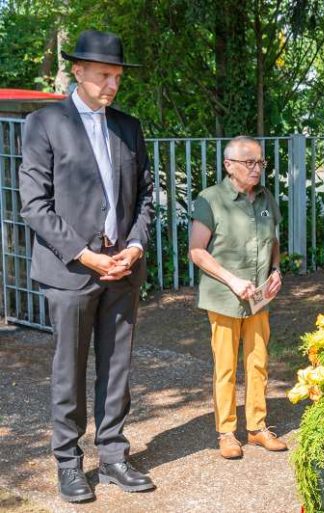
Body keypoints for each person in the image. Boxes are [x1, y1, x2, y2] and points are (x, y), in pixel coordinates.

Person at [18, 30, 154, 502]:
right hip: (71, 271)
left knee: (117, 367)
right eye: (103, 75)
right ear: (78, 71)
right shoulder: (44, 123)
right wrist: (85, 254)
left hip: (123, 267)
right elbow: (34, 205)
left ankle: (114, 454)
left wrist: (135, 247)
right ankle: (69, 463)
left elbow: (146, 196)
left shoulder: (129, 126)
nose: (112, 84)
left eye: (117, 76)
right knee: (70, 370)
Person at [189, 136, 287, 459]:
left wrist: (276, 270)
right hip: (224, 296)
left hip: (259, 297)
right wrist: (232, 280)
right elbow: (197, 252)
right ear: (228, 165)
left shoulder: (266, 198)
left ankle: (257, 428)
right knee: (226, 366)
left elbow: (274, 239)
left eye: (260, 162)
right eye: (249, 162)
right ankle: (227, 432)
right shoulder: (211, 200)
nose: (257, 168)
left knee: (258, 361)